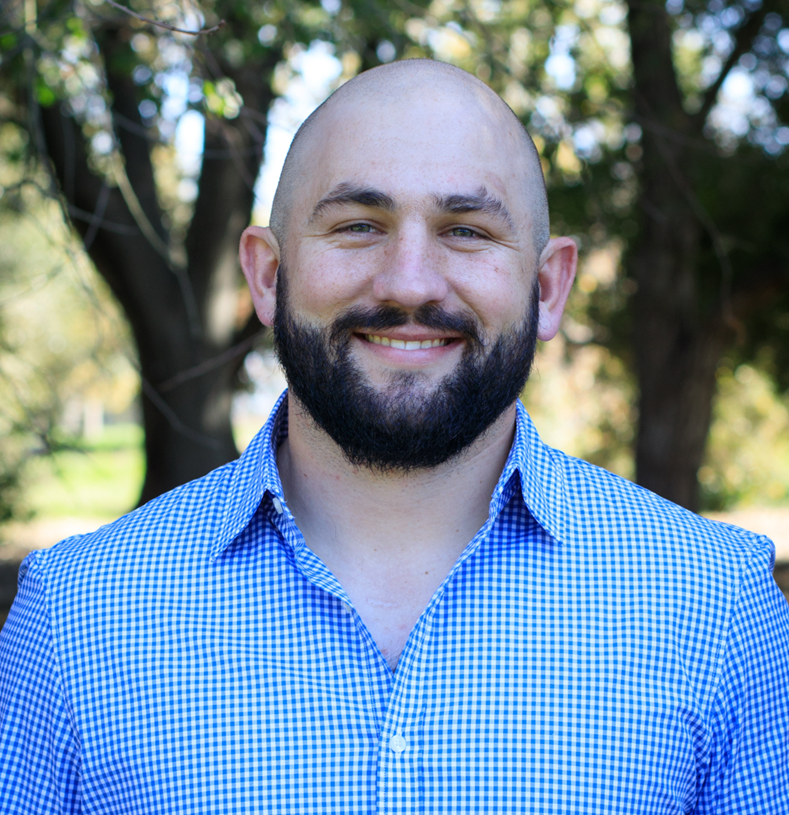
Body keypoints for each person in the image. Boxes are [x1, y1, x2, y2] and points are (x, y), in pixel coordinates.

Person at [1, 59, 788, 814]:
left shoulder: (717, 610)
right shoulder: (75, 620)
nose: (409, 281)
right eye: (356, 224)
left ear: (548, 287)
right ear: (267, 275)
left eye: (467, 230)